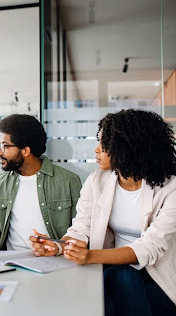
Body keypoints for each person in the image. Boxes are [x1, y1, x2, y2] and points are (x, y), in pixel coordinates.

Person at [30, 109, 176, 315]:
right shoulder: (97, 180)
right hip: (113, 271)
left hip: (158, 278)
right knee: (119, 279)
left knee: (120, 282)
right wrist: (59, 246)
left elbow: (149, 248)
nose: (97, 150)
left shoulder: (171, 188)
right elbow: (81, 226)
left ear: (129, 147)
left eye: (105, 145)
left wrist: (89, 256)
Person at [0, 114, 82, 250]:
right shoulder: (1, 182)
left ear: (25, 151)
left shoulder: (69, 181)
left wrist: (58, 248)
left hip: (54, 260)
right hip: (10, 261)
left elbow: (79, 230)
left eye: (5, 146)